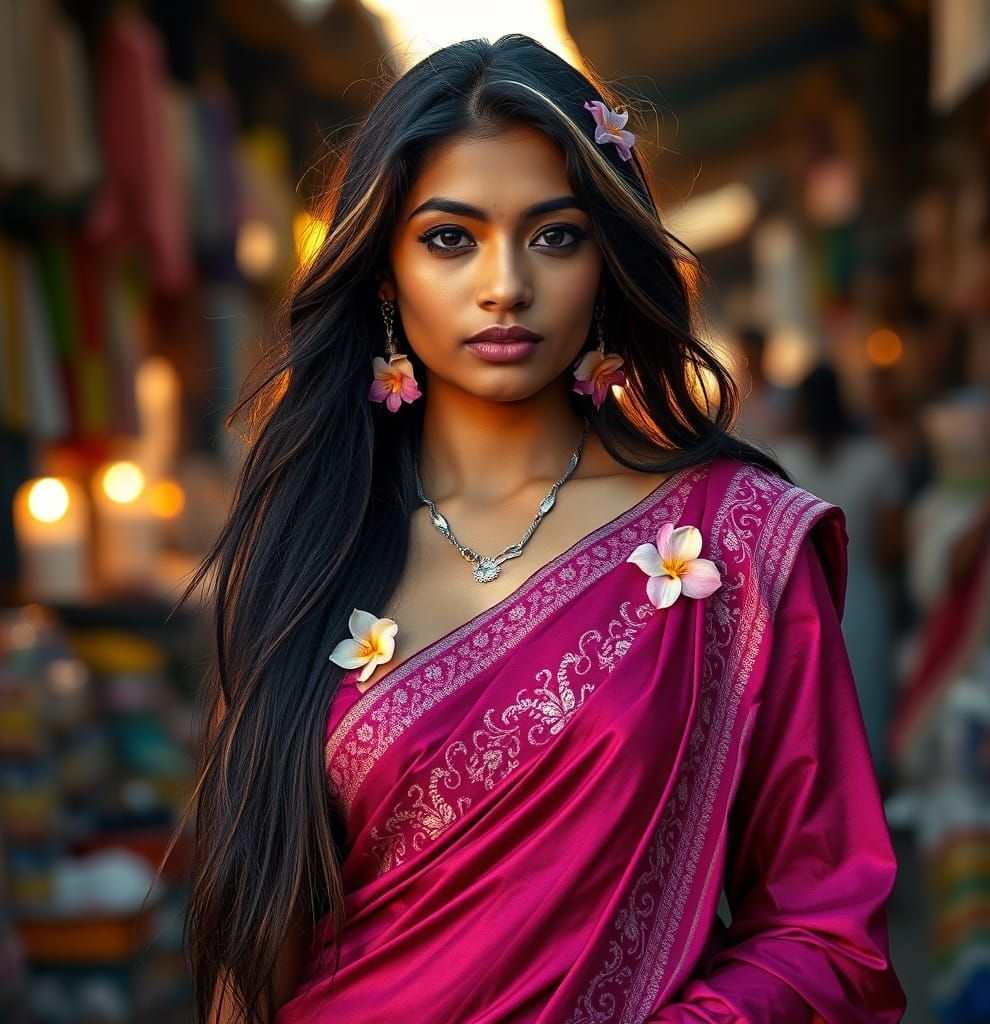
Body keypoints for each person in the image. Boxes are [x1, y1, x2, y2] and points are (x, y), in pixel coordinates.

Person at [169, 35, 905, 1023]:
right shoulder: (308, 547)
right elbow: (251, 941)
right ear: (383, 270)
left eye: (554, 235)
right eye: (449, 237)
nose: (505, 283)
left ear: (607, 258)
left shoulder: (730, 545)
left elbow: (827, 933)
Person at [773, 364, 905, 783]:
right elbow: (892, 546)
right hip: (864, 592)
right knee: (866, 695)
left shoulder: (782, 460)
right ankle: (868, 788)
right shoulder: (876, 459)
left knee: (811, 699)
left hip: (803, 595)